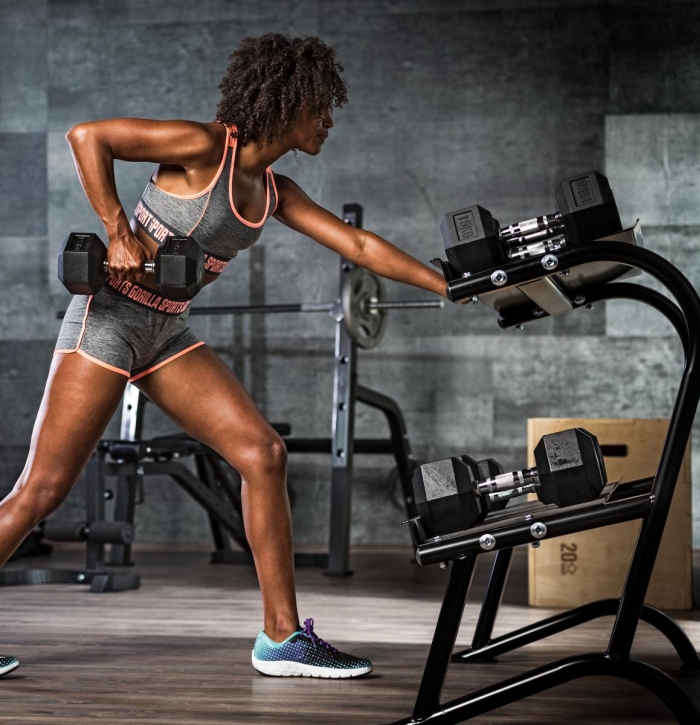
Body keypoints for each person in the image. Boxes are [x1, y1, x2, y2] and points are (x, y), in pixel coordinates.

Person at [0, 33, 448, 679]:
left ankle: (281, 637)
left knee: (263, 454)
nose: (328, 120)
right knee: (41, 491)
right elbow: (87, 136)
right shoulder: (205, 146)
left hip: (166, 332)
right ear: (287, 101)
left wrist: (451, 285)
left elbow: (358, 246)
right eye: (320, 106)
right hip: (108, 319)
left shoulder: (274, 191)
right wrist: (118, 231)